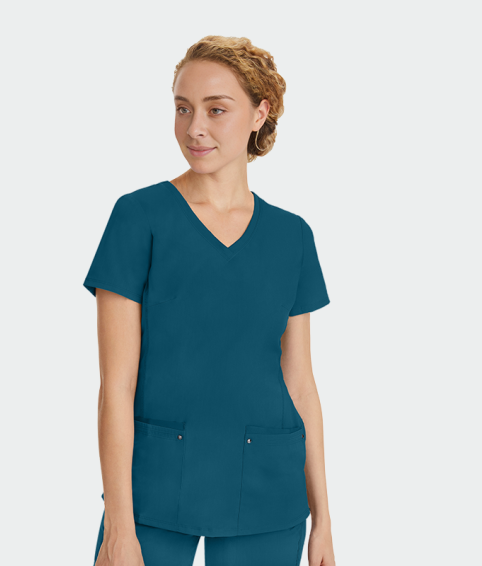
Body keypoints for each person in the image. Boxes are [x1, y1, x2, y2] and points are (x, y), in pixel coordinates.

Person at [83, 35, 336, 566]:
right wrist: (119, 529)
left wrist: (324, 523)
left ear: (259, 114)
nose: (194, 127)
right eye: (183, 108)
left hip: (269, 490)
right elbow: (115, 387)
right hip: (152, 490)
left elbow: (300, 383)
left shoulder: (292, 236)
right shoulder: (138, 218)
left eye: (215, 109)